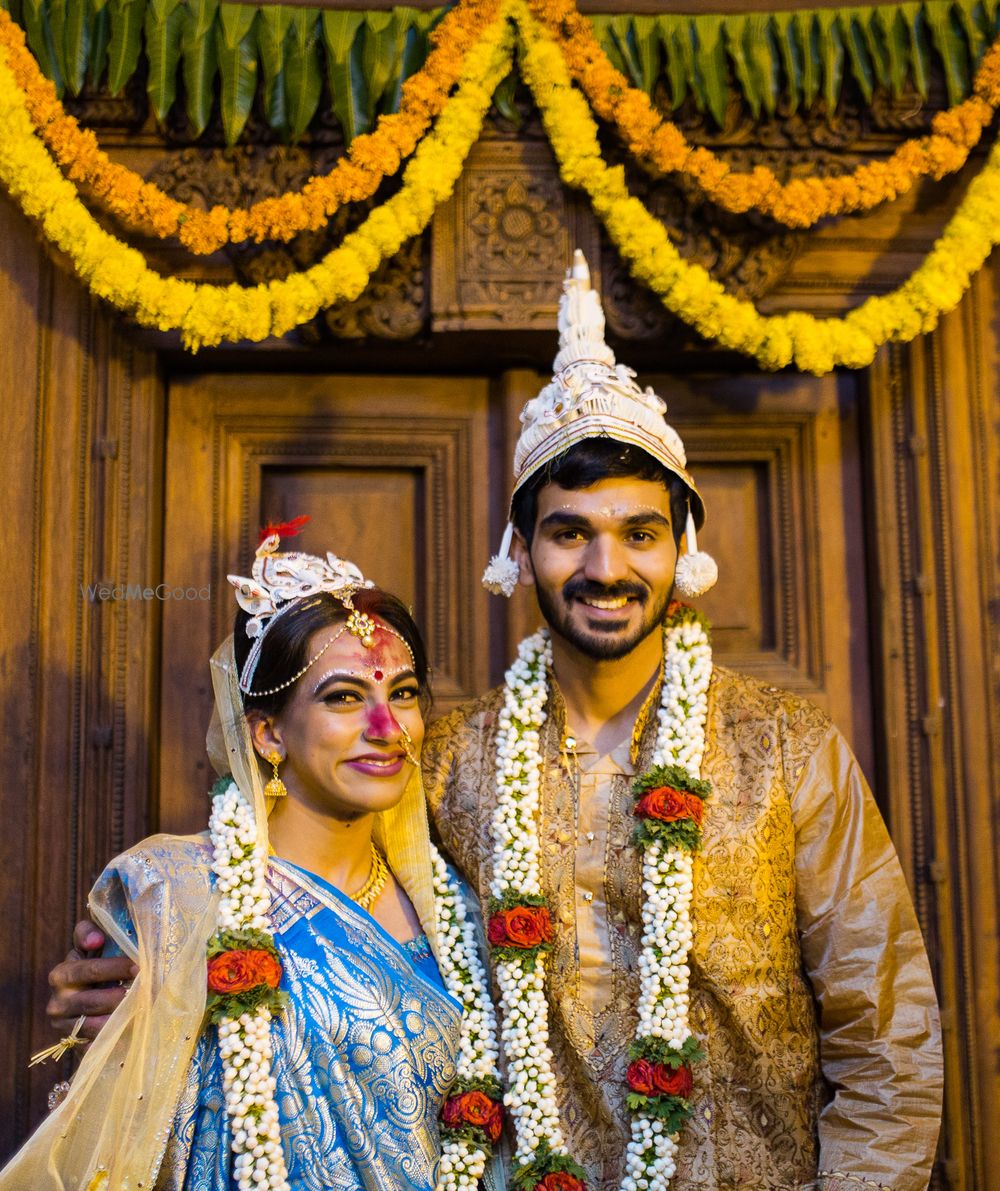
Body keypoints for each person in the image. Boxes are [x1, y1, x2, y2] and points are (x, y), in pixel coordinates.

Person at [48, 253, 943, 1191]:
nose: (606, 566)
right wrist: (158, 969)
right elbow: (297, 881)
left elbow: (888, 1040)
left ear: (683, 546)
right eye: (569, 532)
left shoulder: (788, 751)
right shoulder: (448, 759)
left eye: (639, 531)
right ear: (521, 548)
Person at [14, 537, 503, 1191]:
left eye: (405, 692)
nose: (387, 726)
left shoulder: (459, 909)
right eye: (344, 698)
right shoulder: (176, 892)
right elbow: (118, 1130)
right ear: (267, 733)